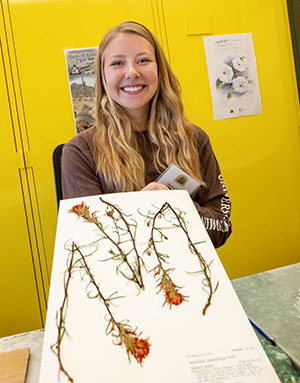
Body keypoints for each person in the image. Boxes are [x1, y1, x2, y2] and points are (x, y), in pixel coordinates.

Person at [62, 21, 231, 248]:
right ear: (102, 77)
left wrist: (178, 206)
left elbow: (221, 227)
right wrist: (148, 211)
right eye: (117, 63)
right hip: (121, 282)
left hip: (191, 275)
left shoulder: (195, 139)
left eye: (143, 60)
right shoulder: (80, 152)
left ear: (159, 70)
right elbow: (93, 244)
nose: (132, 72)